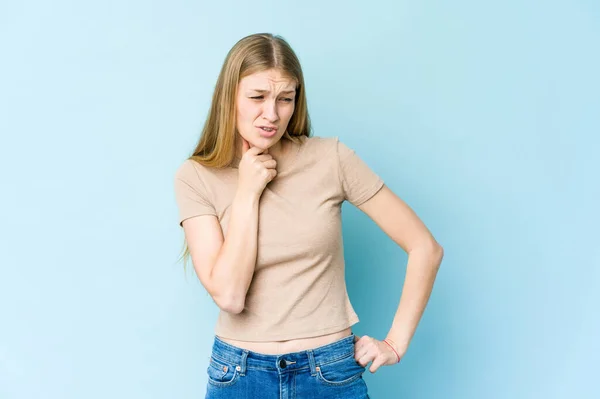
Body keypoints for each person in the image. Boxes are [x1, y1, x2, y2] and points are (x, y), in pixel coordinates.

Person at [173, 33, 444, 399]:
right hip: (239, 375)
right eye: (257, 97)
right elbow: (231, 295)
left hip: (330, 372)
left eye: (285, 99)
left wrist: (394, 343)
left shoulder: (331, 158)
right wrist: (248, 192)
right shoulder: (196, 176)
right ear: (229, 97)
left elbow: (425, 247)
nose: (271, 114)